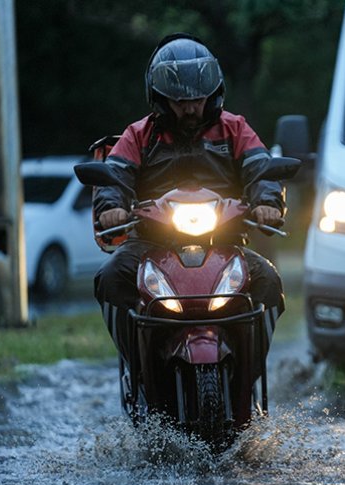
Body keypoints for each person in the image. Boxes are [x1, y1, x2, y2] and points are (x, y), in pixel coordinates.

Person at [92, 33, 286, 369]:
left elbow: (262, 170)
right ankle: (137, 363)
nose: (190, 108)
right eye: (180, 102)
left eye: (198, 99)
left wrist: (268, 201)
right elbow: (115, 176)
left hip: (225, 241)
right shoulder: (138, 134)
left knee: (269, 280)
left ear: (214, 93)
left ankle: (250, 368)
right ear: (159, 98)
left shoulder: (235, 129)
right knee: (110, 277)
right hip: (150, 244)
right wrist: (111, 207)